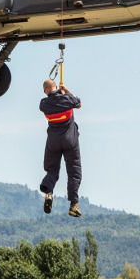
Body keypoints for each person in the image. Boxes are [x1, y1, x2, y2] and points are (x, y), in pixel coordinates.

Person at [39, 78, 83, 217]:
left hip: (53, 141)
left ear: (46, 90)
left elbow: (50, 100)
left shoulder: (44, 104)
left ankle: (49, 193)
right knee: (74, 172)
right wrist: (65, 90)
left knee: (51, 170)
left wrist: (60, 92)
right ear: (56, 86)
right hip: (70, 140)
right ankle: (73, 205)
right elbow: (79, 103)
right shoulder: (67, 99)